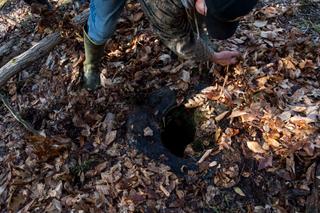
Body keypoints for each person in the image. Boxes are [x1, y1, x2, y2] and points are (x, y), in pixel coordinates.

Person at [83, 0, 258, 90]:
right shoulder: (163, 6)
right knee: (102, 29)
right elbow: (178, 39)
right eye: (208, 11)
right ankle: (90, 65)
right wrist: (213, 56)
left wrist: (206, 42)